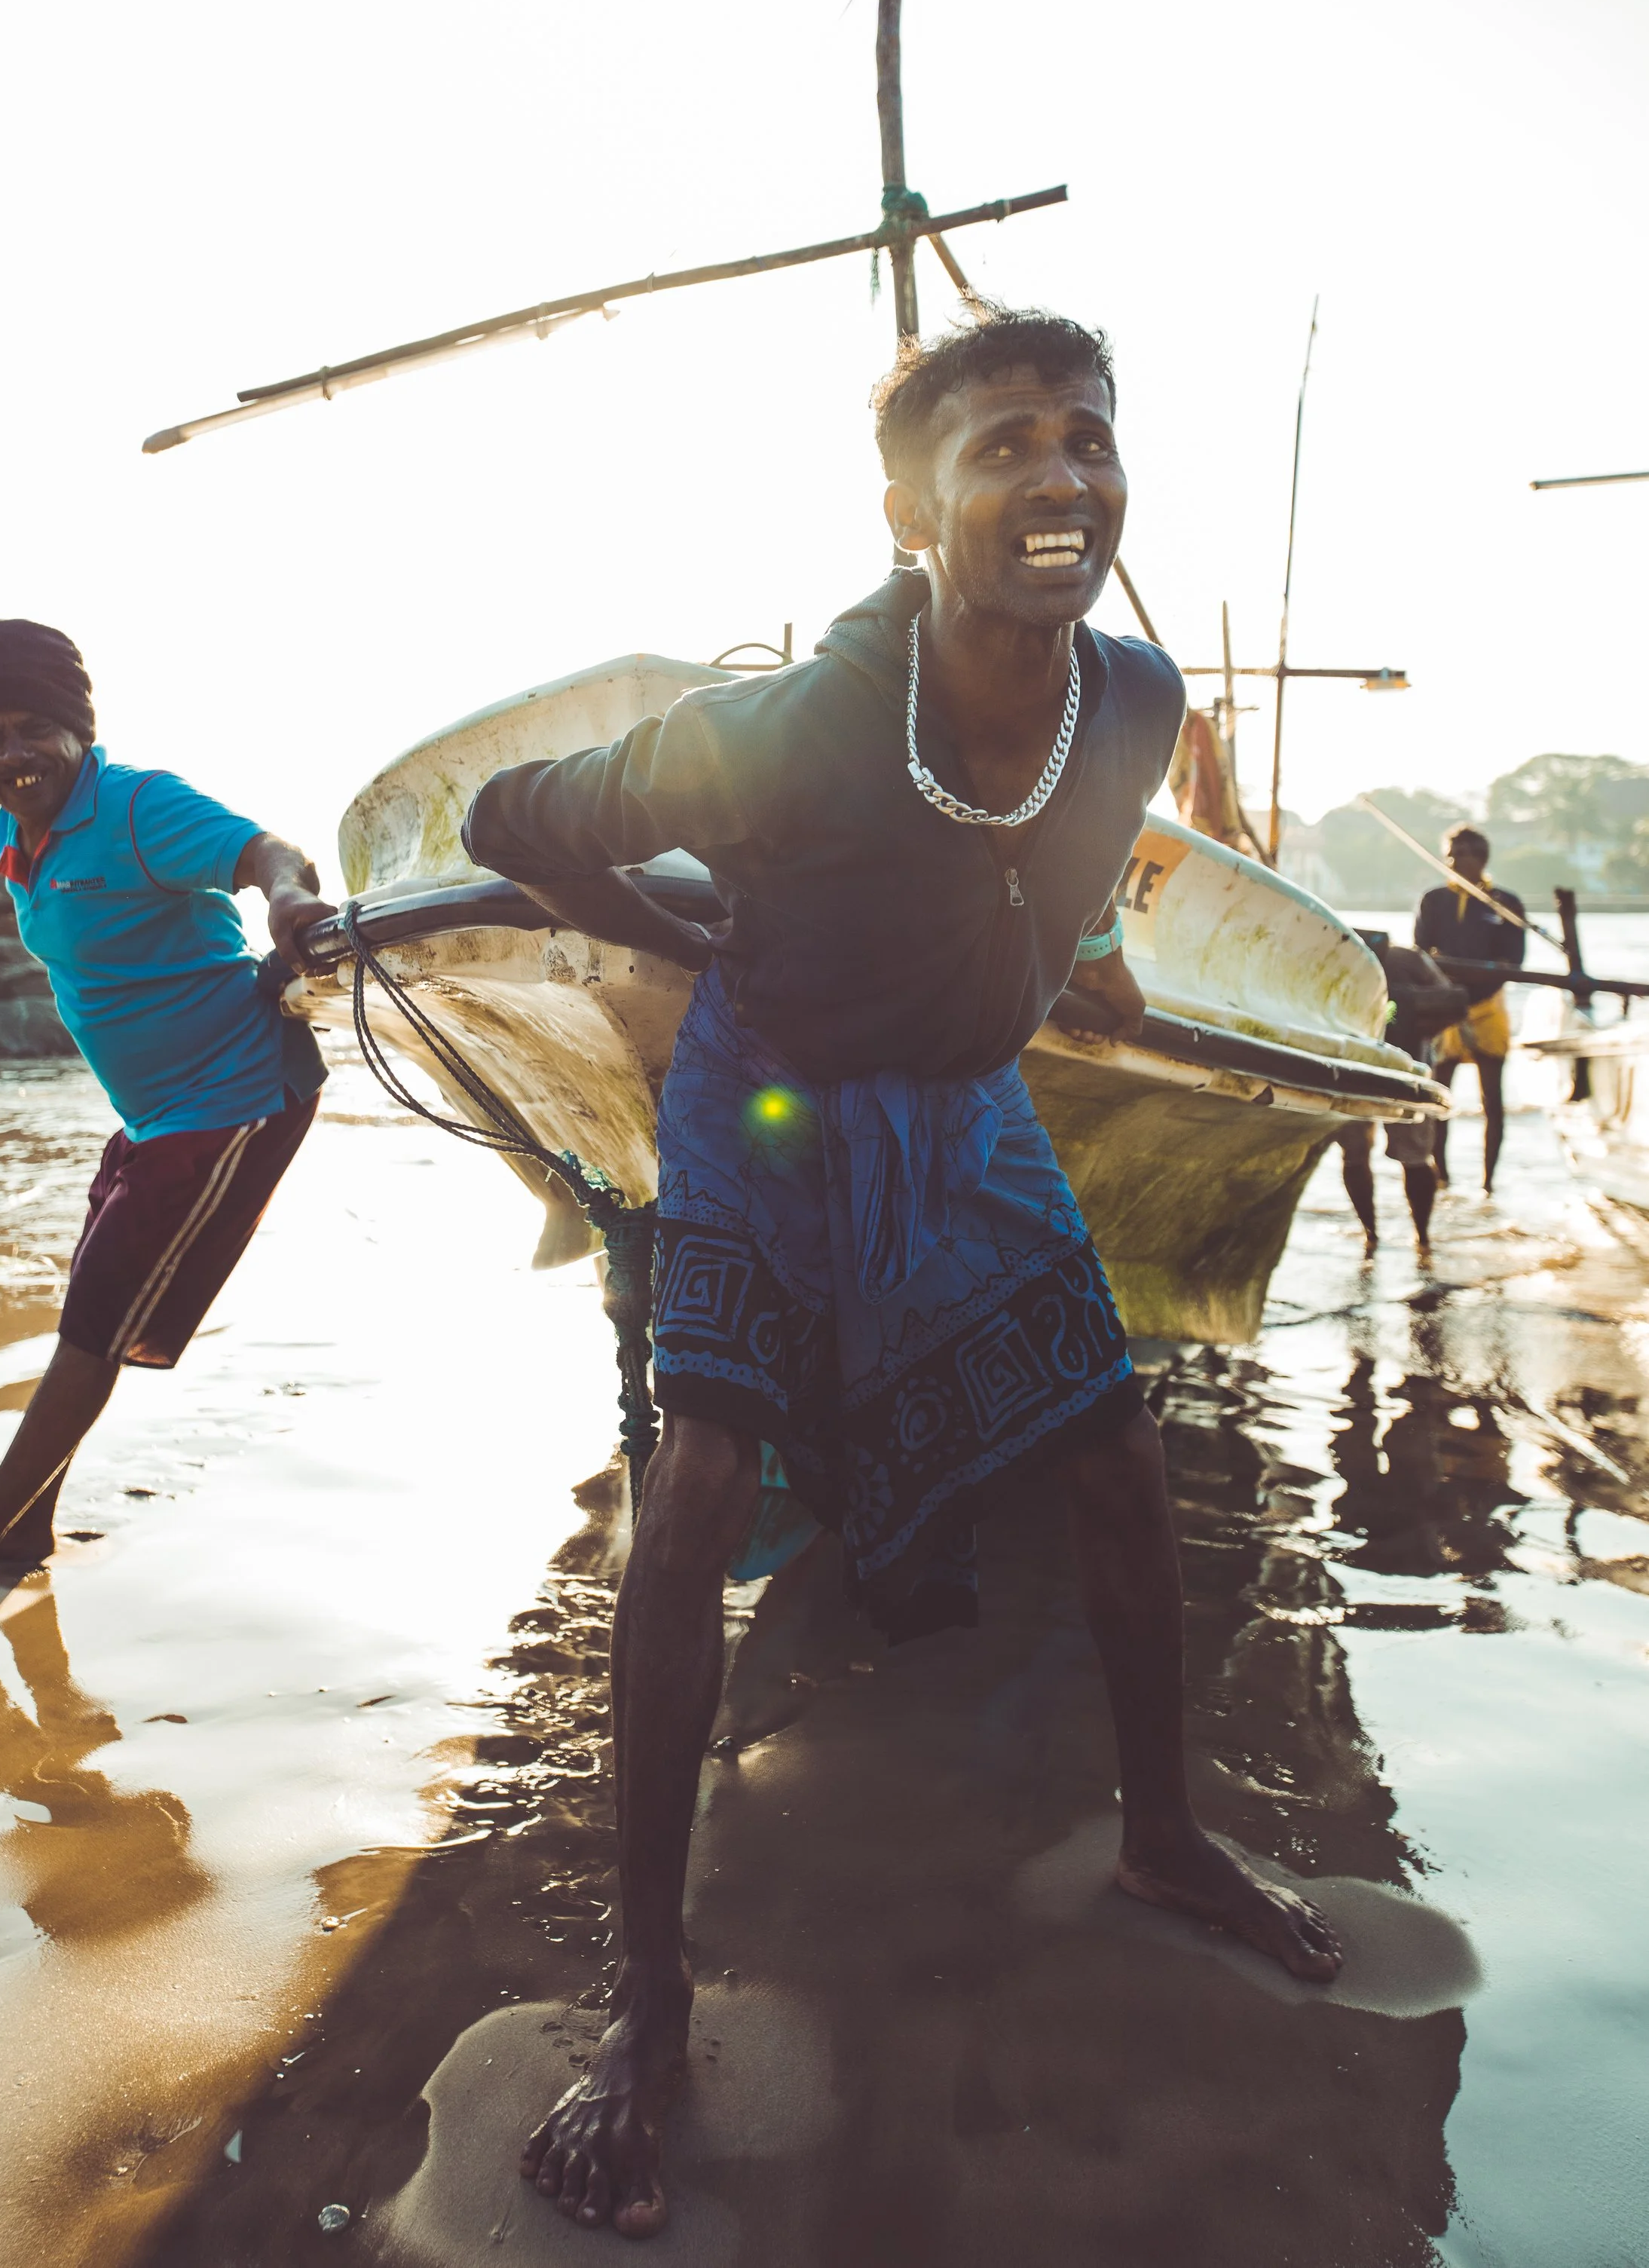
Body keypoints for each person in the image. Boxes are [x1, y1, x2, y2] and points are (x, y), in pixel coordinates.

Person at [461, 307, 1343, 2241]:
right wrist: (696, 915)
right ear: (908, 504)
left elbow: (1069, 876)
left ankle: (1171, 1837)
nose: (1061, 477)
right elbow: (506, 818)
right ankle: (651, 2006)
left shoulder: (1131, 695)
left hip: (960, 1107)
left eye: (1087, 438)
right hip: (763, 1097)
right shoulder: (788, 725)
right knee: (694, 1490)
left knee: (1111, 1450)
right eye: (1006, 444)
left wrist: (1067, 961)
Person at [0, 619, 329, 1621]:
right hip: (155, 1115)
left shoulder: (140, 804)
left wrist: (285, 900)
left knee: (96, 1323)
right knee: (86, 1307)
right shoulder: (17, 830)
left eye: (33, 730)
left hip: (235, 1097)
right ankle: (25, 1525)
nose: (10, 755)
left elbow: (266, 850)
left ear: (76, 729)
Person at [1335, 939, 1466, 1262]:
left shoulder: (1342, 953)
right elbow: (1450, 1004)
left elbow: (1450, 1005)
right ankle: (1403, 1239)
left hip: (1389, 1067)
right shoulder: (1407, 958)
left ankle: (1395, 1237)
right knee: (1376, 1154)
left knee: (1367, 1155)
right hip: (1391, 1066)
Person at [1412, 828, 1527, 1192]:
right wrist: (1446, 984)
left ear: (1480, 858)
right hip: (1446, 1005)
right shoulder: (1434, 900)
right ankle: (1442, 1175)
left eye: (1461, 853)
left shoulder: (1505, 902)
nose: (1453, 861)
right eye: (1449, 853)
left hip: (1488, 1006)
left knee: (1492, 1099)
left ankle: (1489, 1182)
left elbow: (1514, 961)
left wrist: (1477, 990)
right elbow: (1420, 952)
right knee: (1439, 1095)